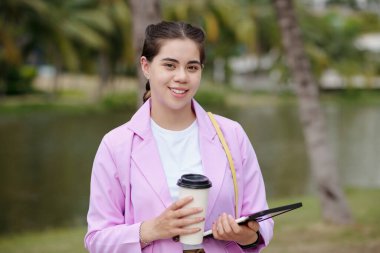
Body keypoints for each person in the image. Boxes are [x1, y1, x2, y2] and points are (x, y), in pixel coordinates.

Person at [84, 21, 273, 253]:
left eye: (192, 67)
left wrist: (245, 236)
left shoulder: (232, 134)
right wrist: (150, 229)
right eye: (170, 65)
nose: (182, 77)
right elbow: (96, 240)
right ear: (146, 66)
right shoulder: (116, 145)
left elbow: (261, 221)